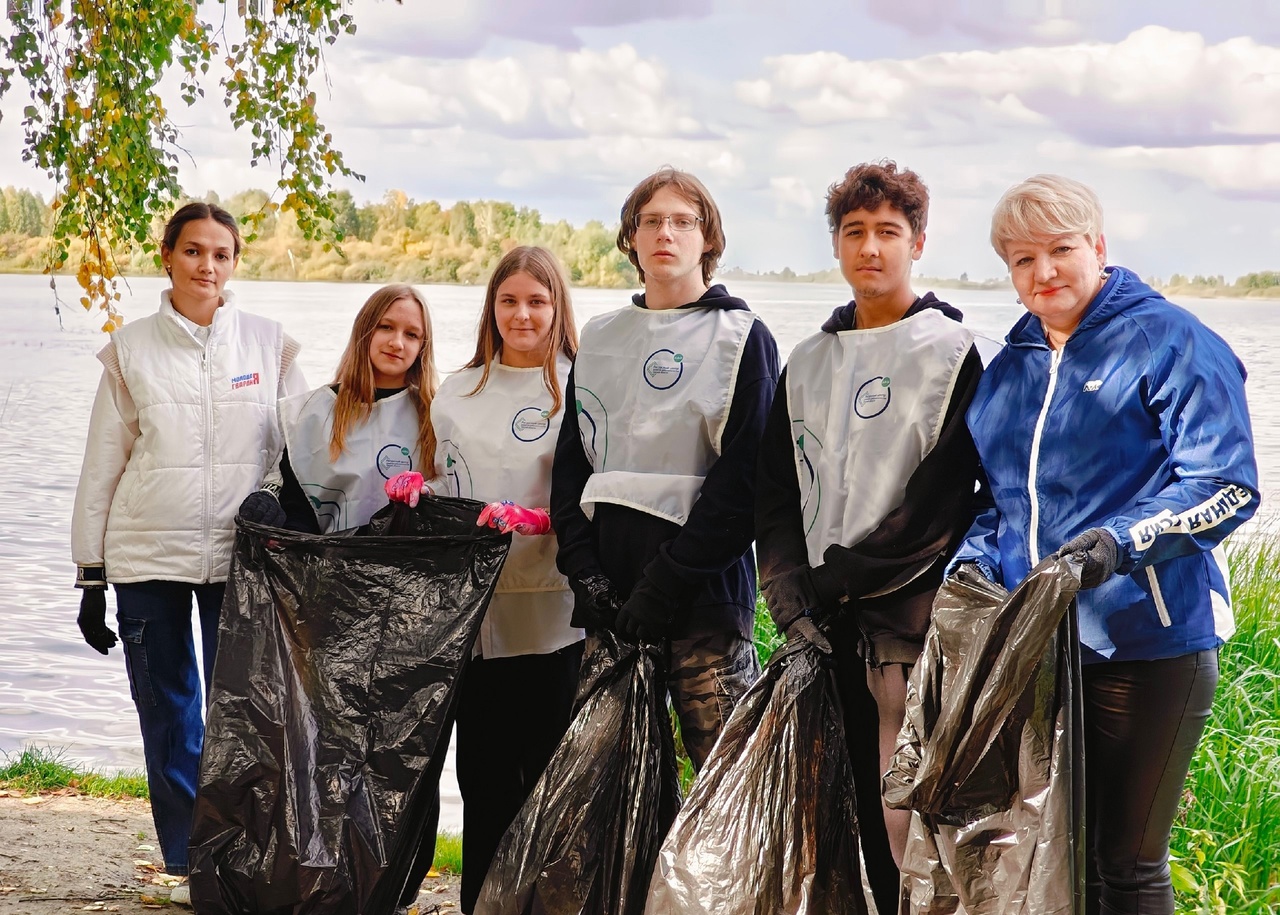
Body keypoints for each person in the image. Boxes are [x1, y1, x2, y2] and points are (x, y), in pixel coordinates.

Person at [950, 174, 1259, 915]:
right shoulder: (1012, 364)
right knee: (1059, 860)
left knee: (1127, 864)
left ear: (1098, 247)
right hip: (1038, 652)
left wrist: (1114, 545)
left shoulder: (1171, 340)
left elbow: (1226, 483)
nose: (1044, 272)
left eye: (1061, 250)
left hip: (1148, 647)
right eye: (1023, 260)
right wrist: (973, 561)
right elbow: (1001, 499)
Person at [753, 160, 983, 914]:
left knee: (906, 821)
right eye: (855, 232)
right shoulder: (809, 360)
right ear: (837, 246)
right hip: (822, 628)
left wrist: (836, 578)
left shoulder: (952, 353)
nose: (871, 248)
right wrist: (791, 596)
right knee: (834, 817)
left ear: (919, 241)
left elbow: (938, 507)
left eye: (889, 231)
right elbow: (777, 492)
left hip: (906, 625)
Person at [70, 201, 307, 900]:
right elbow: (101, 464)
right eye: (194, 251)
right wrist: (90, 573)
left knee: (246, 717)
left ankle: (247, 855)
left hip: (245, 558)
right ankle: (189, 864)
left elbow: (296, 450)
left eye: (222, 253)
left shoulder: (270, 345)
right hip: (148, 558)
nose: (208, 265)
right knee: (170, 715)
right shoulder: (130, 349)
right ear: (167, 255)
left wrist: (278, 506)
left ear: (236, 262)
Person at [550, 166, 780, 772]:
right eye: (651, 221)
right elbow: (571, 470)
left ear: (709, 240)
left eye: (683, 221)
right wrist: (585, 575)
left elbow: (744, 484)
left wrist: (665, 586)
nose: (665, 233)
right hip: (610, 604)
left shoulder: (743, 338)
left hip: (702, 604)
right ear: (631, 239)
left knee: (724, 789)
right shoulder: (600, 338)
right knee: (612, 792)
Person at [410, 245, 584, 913]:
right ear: (491, 307)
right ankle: (480, 904)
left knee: (544, 779)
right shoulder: (458, 390)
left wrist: (542, 520)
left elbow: (594, 496)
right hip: (474, 622)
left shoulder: (577, 388)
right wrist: (414, 488)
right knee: (481, 779)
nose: (522, 313)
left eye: (537, 301)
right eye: (509, 300)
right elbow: (443, 480)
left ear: (556, 308)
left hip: (552, 615)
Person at [237, 282, 438, 534]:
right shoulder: (313, 411)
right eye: (386, 327)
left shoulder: (436, 415)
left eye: (411, 334)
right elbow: (298, 505)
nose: (397, 342)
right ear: (365, 330)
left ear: (423, 346)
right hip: (329, 565)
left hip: (409, 568)